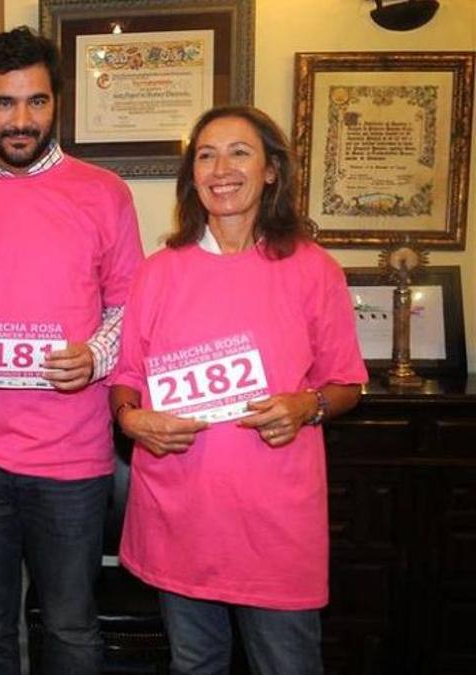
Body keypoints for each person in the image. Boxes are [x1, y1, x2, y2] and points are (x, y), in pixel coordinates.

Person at [0, 27, 144, 674]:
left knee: (70, 626)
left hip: (72, 459)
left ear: (56, 103)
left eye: (35, 102)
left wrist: (95, 355)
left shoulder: (105, 194)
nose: (21, 120)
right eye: (4, 103)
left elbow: (129, 308)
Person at [109, 105, 367, 674]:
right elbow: (127, 380)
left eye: (239, 152)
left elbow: (347, 383)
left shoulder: (313, 269)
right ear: (191, 174)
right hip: (181, 510)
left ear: (271, 171)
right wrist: (131, 420)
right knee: (195, 663)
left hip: (274, 519)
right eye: (206, 155)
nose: (221, 168)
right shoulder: (157, 273)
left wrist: (307, 405)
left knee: (287, 664)